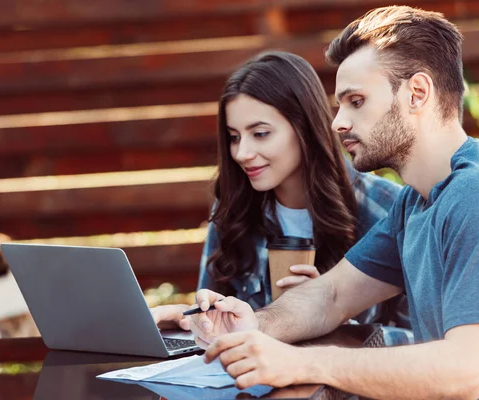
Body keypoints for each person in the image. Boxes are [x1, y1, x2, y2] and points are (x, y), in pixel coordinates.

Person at [185, 6, 479, 400]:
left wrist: (302, 363)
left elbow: (463, 372)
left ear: (417, 93)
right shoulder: (416, 203)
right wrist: (253, 324)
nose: (337, 122)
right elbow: (332, 296)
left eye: (356, 101)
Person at [151, 51, 412, 345]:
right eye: (234, 137)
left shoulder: (388, 207)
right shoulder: (233, 209)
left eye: (260, 134)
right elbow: (213, 324)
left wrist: (325, 310)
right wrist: (190, 320)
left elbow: (422, 342)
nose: (242, 153)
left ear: (304, 128)